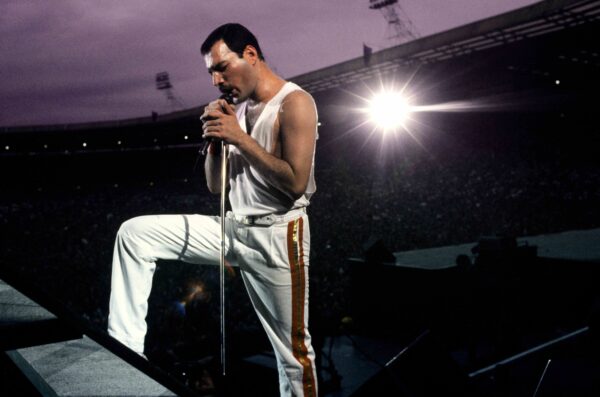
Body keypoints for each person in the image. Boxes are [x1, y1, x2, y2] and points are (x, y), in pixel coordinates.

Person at [107, 23, 318, 396]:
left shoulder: (295, 102)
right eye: (211, 73)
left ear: (250, 54)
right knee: (133, 234)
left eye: (222, 68)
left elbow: (295, 182)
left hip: (279, 236)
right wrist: (217, 142)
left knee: (293, 355)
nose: (216, 80)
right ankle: (123, 354)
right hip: (233, 227)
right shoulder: (235, 111)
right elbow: (216, 187)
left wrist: (239, 137)